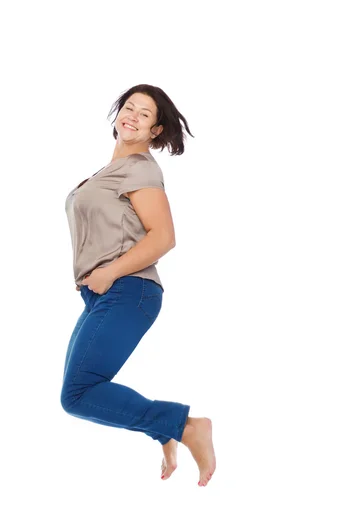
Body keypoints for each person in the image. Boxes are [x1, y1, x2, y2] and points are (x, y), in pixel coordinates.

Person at [62, 84, 216, 487]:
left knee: (77, 393)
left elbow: (163, 236)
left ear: (155, 130)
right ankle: (164, 429)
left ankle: (186, 426)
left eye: (144, 114)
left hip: (129, 291)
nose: (132, 115)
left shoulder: (141, 168)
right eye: (128, 107)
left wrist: (109, 272)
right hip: (103, 297)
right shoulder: (111, 171)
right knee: (80, 391)